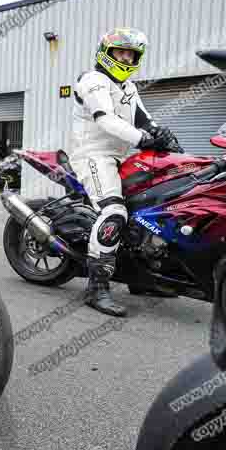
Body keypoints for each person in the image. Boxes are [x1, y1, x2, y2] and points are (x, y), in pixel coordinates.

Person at [69, 27, 180, 317]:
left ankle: (142, 278)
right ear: (106, 53)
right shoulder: (92, 80)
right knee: (114, 212)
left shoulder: (128, 87)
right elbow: (104, 119)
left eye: (131, 54)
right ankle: (97, 288)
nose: (126, 58)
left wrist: (163, 136)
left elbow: (145, 119)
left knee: (151, 209)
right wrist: (143, 139)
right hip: (92, 156)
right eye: (121, 52)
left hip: (120, 156)